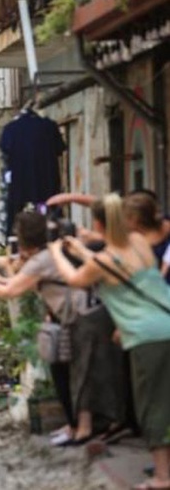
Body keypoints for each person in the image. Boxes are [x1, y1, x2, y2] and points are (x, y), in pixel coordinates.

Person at [0, 211, 125, 446]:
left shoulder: (40, 261)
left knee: (82, 374)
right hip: (85, 314)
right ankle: (82, 427)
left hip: (83, 316)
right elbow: (17, 283)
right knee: (82, 372)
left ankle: (84, 430)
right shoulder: (46, 255)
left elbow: (11, 291)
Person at [50, 194, 170, 490]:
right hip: (166, 324)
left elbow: (77, 278)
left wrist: (57, 252)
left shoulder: (104, 260)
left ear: (100, 225)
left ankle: (163, 477)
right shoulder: (140, 245)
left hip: (145, 337)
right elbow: (116, 267)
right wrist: (79, 247)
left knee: (151, 406)